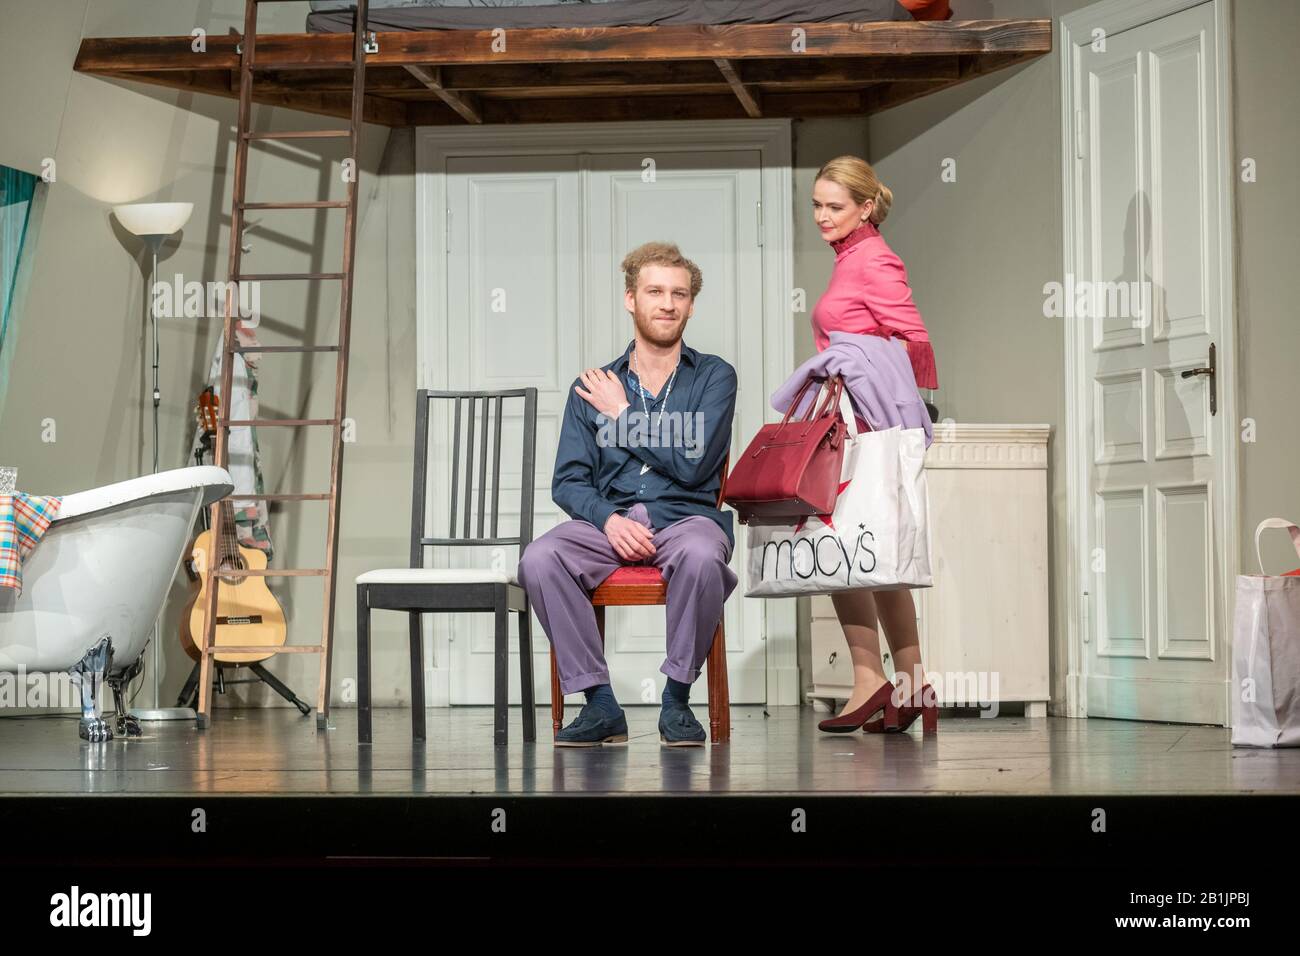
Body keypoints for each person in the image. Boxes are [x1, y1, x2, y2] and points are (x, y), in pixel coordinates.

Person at [516, 241, 738, 747]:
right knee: (541, 558)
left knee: (704, 556)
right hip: (611, 524)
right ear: (630, 299)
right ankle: (599, 703)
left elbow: (696, 461)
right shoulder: (593, 386)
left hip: (686, 522)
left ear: (692, 305)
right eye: (655, 291)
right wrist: (609, 521)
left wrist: (623, 416)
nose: (667, 303)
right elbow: (568, 482)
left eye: (679, 294)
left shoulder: (714, 377)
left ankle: (676, 700)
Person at [807, 155, 939, 735]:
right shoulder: (849, 261)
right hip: (856, 423)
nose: (822, 216)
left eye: (834, 206)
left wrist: (860, 374)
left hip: (868, 429)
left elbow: (914, 342)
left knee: (842, 549)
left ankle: (876, 682)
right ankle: (907, 684)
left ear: (866, 207)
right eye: (816, 204)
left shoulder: (874, 259)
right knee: (874, 555)